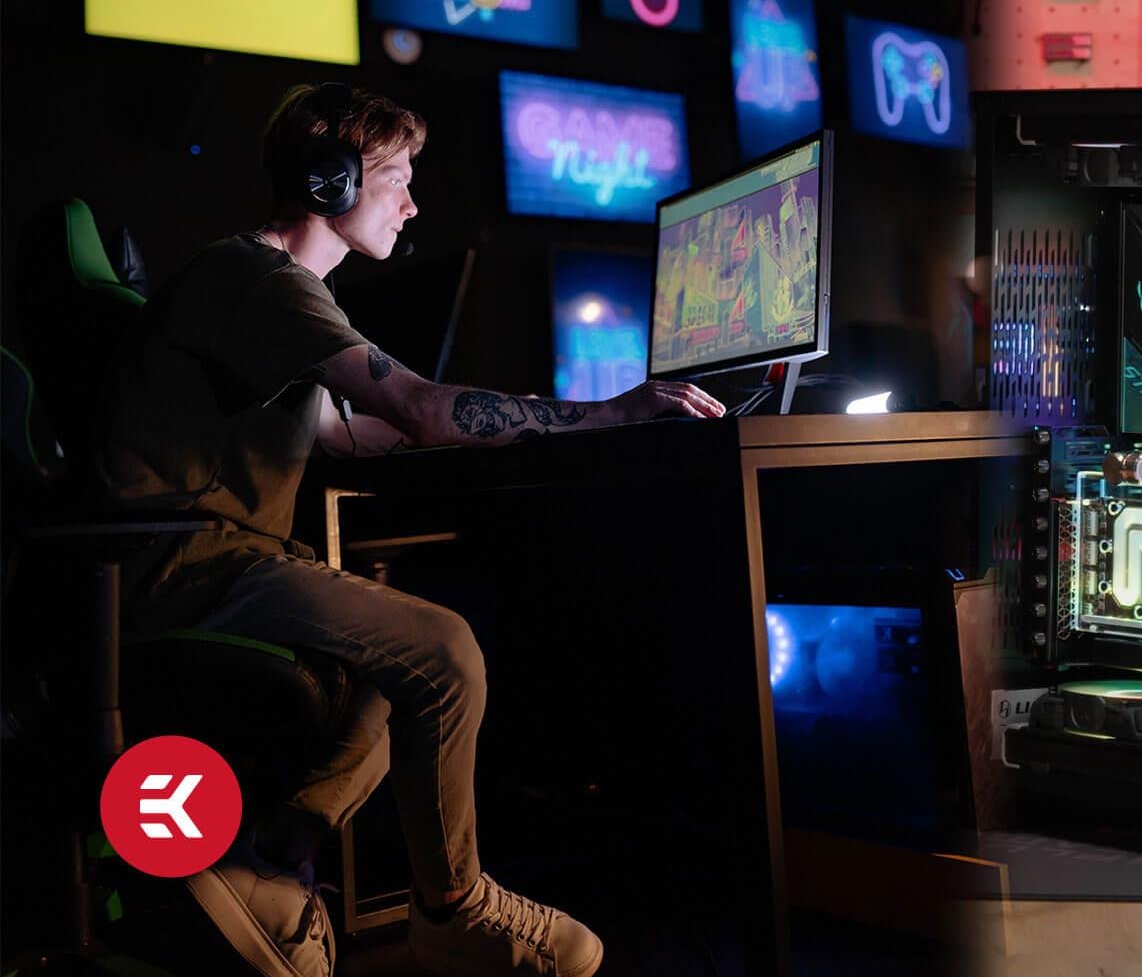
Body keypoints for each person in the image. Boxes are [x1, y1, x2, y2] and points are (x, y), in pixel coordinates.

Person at [97, 83, 724, 977]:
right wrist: (613, 415)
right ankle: (457, 911)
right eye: (398, 177)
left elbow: (352, 433)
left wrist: (503, 423)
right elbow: (423, 409)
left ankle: (270, 864)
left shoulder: (263, 288)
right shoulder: (259, 280)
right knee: (445, 650)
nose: (413, 201)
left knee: (397, 665)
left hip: (209, 560)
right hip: (183, 565)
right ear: (330, 182)